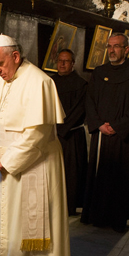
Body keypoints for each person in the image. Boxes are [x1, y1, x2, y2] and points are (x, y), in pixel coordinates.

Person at [0, 34, 71, 256]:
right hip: (0, 164)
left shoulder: (40, 82)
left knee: (26, 225)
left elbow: (37, 135)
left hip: (32, 165)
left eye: (0, 64)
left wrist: (7, 163)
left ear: (15, 57)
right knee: (1, 220)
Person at [81, 33, 129, 232]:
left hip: (123, 137)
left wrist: (118, 126)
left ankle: (117, 218)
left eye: (116, 46)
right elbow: (89, 100)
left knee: (121, 176)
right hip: (101, 134)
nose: (111, 50)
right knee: (99, 175)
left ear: (126, 49)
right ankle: (96, 215)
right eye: (109, 46)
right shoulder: (99, 72)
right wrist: (98, 124)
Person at [51, 49, 88, 216]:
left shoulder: (81, 84)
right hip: (51, 134)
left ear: (73, 63)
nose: (62, 64)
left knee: (71, 173)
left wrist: (61, 129)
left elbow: (79, 110)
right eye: (60, 60)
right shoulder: (49, 82)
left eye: (66, 61)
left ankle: (69, 206)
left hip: (71, 135)